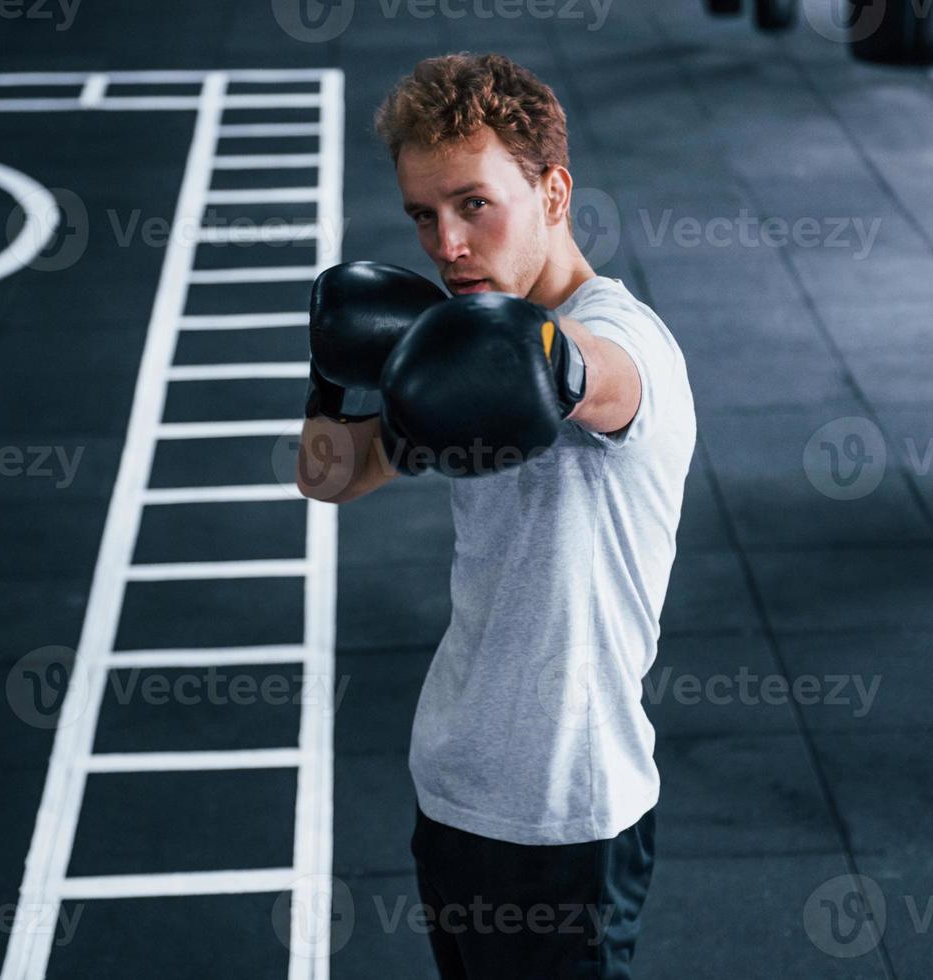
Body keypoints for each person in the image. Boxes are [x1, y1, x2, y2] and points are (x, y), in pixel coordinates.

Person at [295, 52, 697, 978]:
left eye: (475, 204)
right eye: (424, 217)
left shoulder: (623, 344)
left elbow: (606, 382)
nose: (446, 244)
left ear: (555, 192)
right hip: (455, 789)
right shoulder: (464, 353)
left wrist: (544, 358)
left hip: (568, 815)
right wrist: (332, 376)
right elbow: (333, 477)